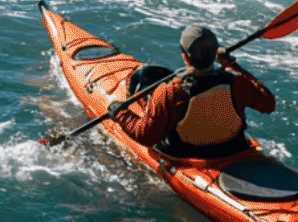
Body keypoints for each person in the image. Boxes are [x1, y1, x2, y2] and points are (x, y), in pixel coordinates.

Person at [112, 24, 274, 158]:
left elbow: (146, 137)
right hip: (233, 148)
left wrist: (119, 113)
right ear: (215, 54)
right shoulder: (237, 84)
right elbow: (268, 103)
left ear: (185, 57)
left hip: (186, 156)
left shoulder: (171, 92)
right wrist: (235, 67)